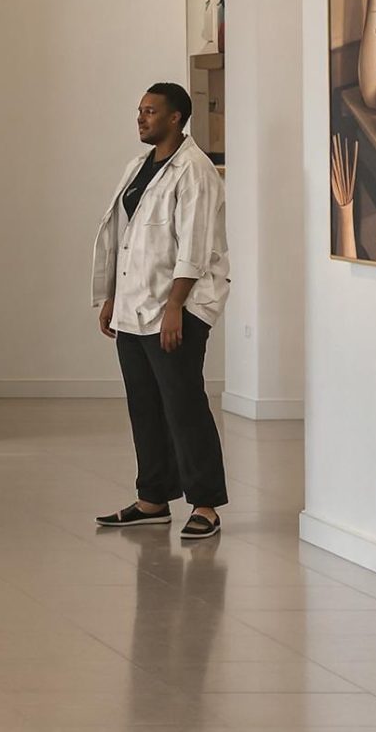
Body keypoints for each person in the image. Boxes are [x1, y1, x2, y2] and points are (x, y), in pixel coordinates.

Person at [91, 82, 232, 541]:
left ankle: (205, 505)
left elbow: (194, 246)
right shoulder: (138, 167)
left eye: (150, 111)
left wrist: (174, 306)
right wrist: (112, 296)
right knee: (145, 406)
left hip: (178, 308)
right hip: (134, 305)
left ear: (176, 118)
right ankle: (152, 498)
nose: (141, 117)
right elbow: (126, 238)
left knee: (184, 405)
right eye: (139, 110)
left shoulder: (195, 171)